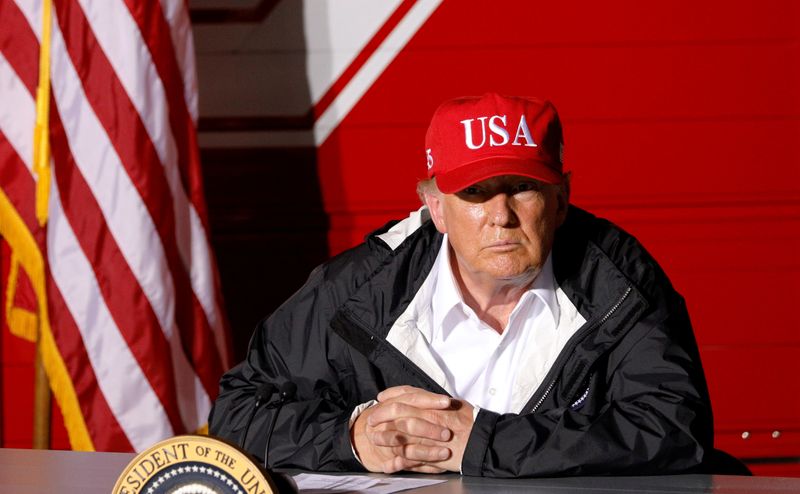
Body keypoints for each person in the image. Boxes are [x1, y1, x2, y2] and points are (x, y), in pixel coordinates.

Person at [209, 93, 743, 477]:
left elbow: (675, 429)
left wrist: (484, 443)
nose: (501, 216)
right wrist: (351, 438)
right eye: (476, 193)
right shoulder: (359, 289)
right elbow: (237, 412)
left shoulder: (621, 284)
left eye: (522, 188)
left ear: (561, 199)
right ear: (436, 208)